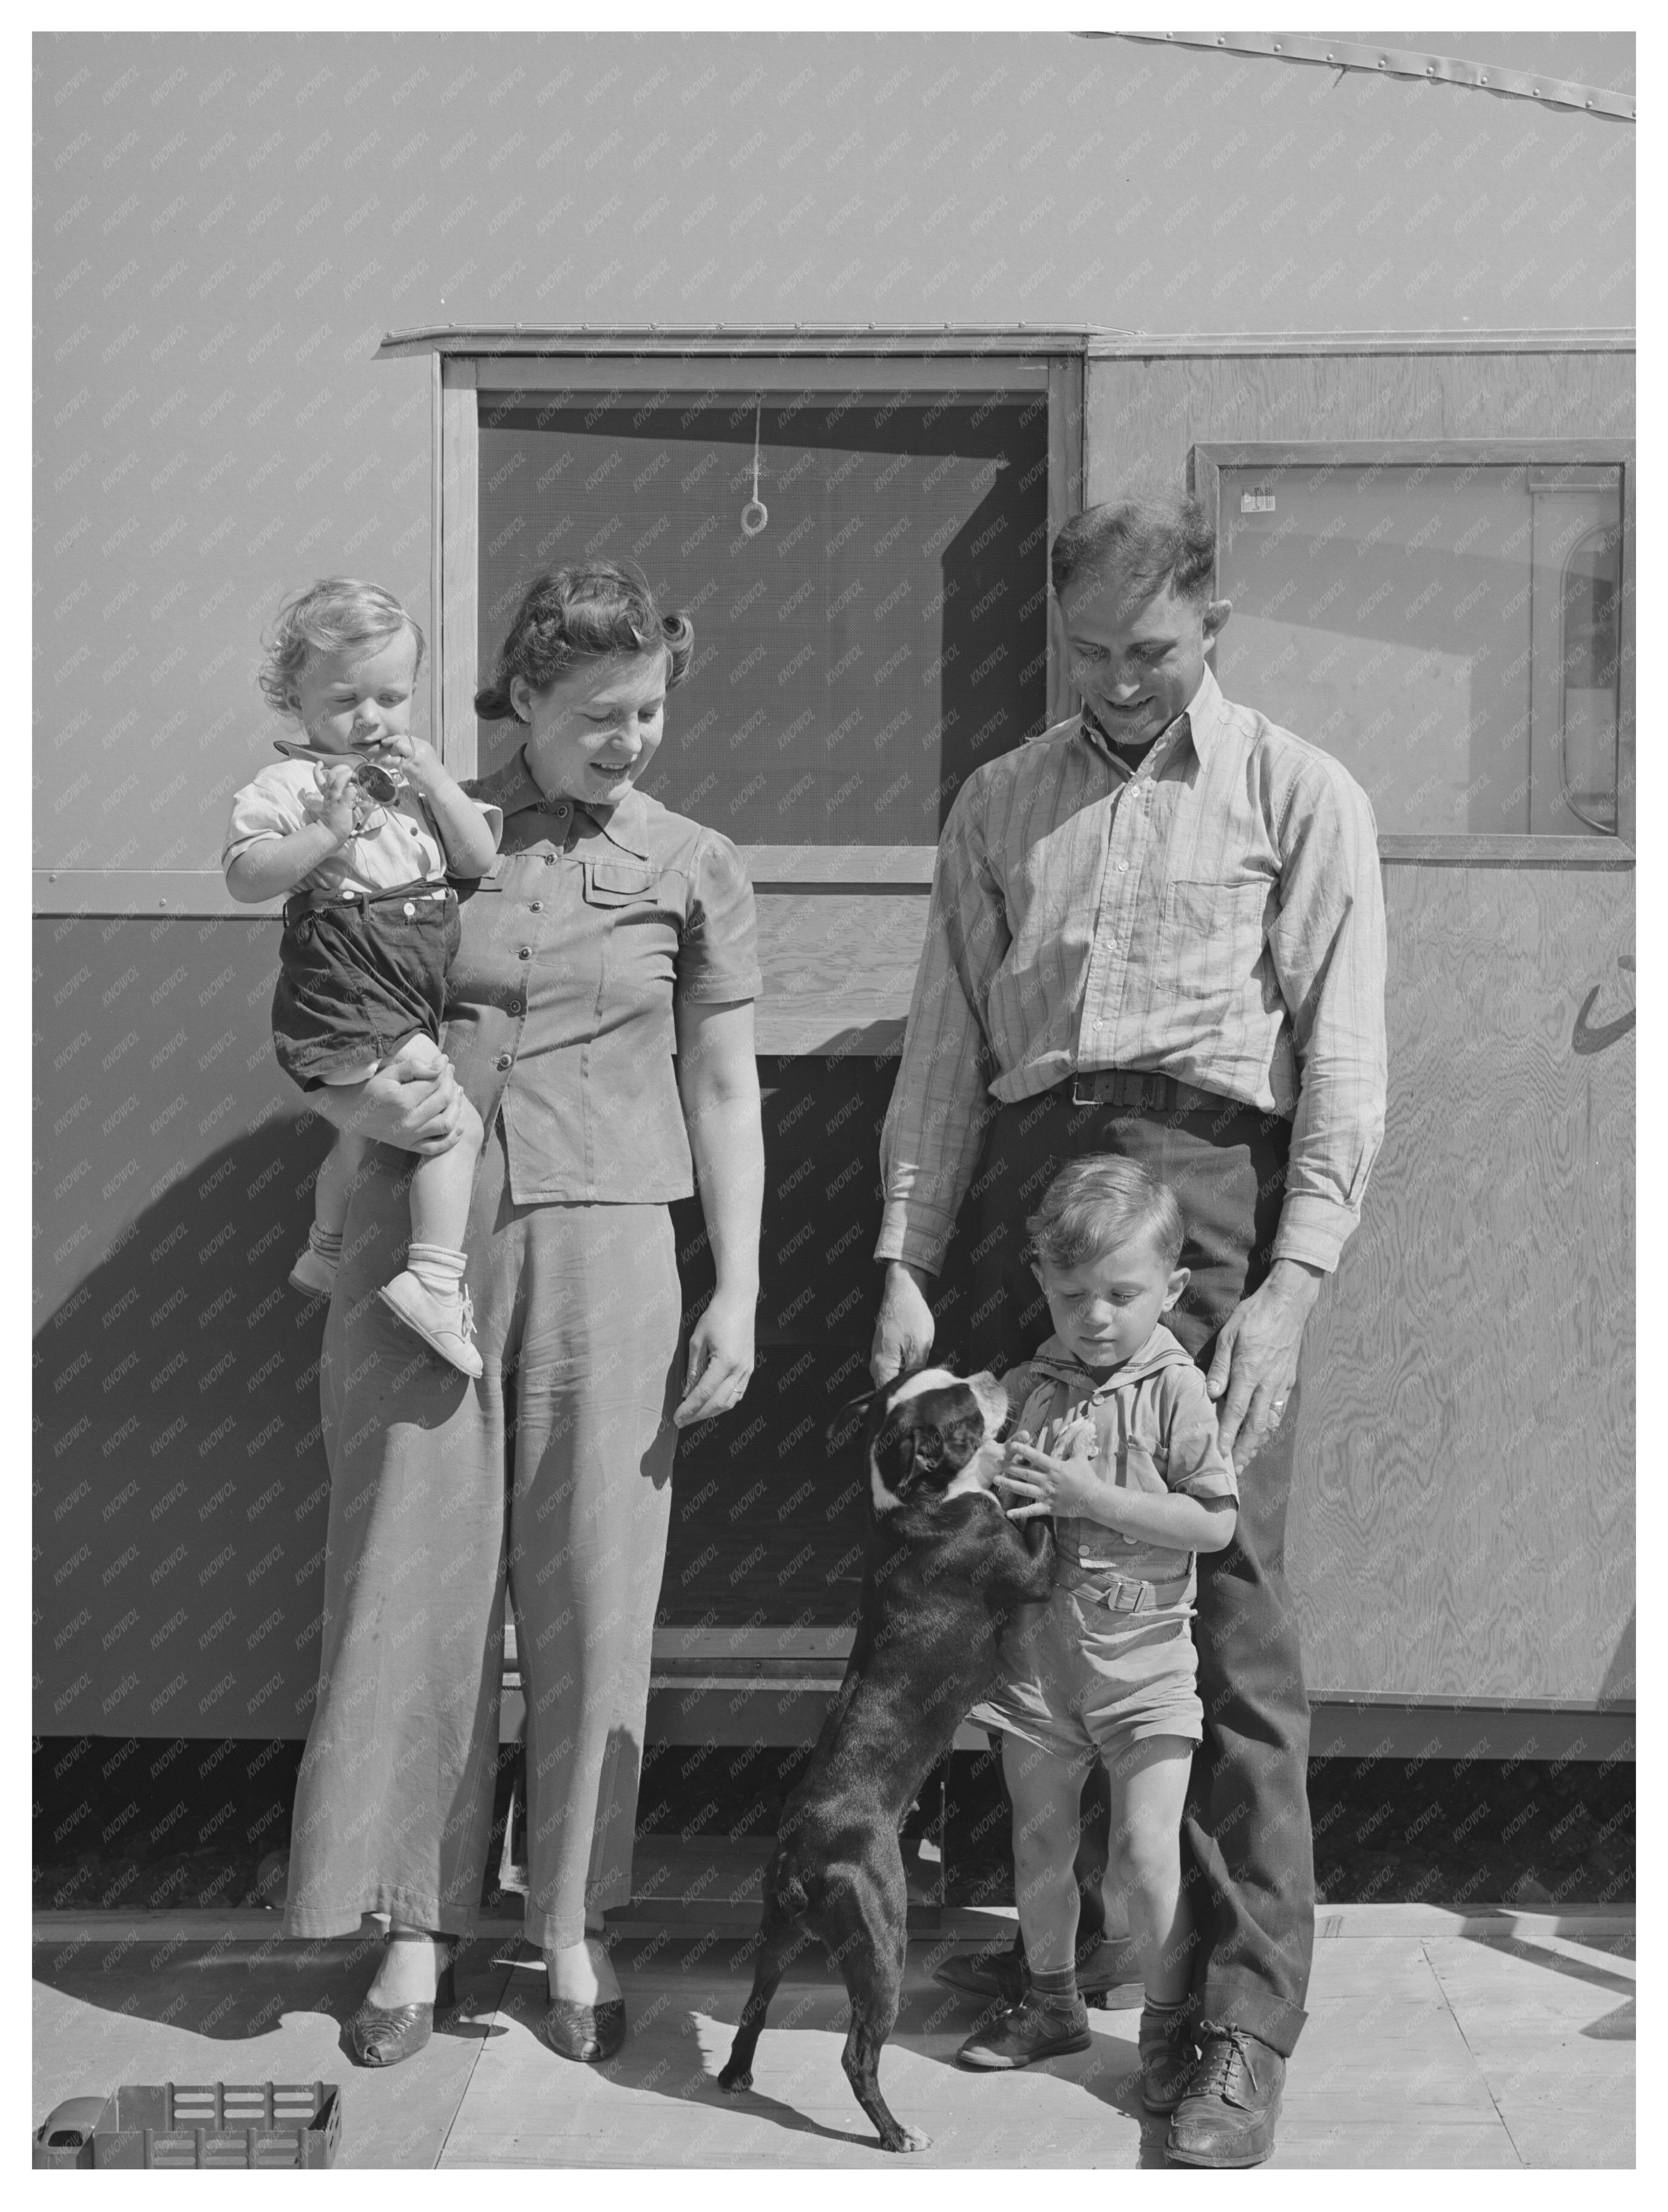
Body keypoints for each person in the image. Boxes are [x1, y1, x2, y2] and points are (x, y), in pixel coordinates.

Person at [872, 492, 1387, 2167]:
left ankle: (1227, 2027)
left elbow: (1345, 1067)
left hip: (1207, 1215)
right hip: (1037, 1196)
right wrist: (905, 1256)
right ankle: (1049, 1971)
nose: (1116, 681)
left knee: (1218, 1625)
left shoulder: (1297, 796)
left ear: (1211, 622)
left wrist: (1291, 1291)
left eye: (1149, 650)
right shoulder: (997, 801)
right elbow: (946, 1053)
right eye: (1087, 651)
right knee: (1013, 1609)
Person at [282, 563, 764, 2069]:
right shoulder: (429, 830)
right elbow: (354, 1009)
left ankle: (571, 1923)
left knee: (591, 1590)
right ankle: (412, 1929)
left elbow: (722, 1085)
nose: (630, 740)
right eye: (598, 715)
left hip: (613, 1244)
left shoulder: (697, 864)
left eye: (650, 714)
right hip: (422, 1240)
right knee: (410, 1581)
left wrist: (737, 1284)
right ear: (527, 705)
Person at [956, 1157, 1236, 2120]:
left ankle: (1166, 2027)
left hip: (1145, 1670)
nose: (1095, 1317)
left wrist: (1092, 1497)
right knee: (1038, 1849)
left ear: (1171, 1289)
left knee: (1142, 1856)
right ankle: (1048, 2002)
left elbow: (1213, 1524)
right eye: (1072, 1293)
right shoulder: (1029, 1384)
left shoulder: (1175, 1390)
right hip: (1038, 1668)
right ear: (1041, 1280)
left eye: (1121, 1295)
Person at [223, 580, 501, 1375]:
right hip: (351, 984)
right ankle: (435, 1283)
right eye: (345, 699)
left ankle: (325, 1249)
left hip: (406, 990)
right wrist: (325, 831)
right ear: (295, 700)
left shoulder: (417, 785)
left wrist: (438, 783)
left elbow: (477, 859)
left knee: (355, 1128)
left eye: (390, 696)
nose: (371, 719)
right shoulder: (287, 787)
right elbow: (246, 876)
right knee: (455, 1127)